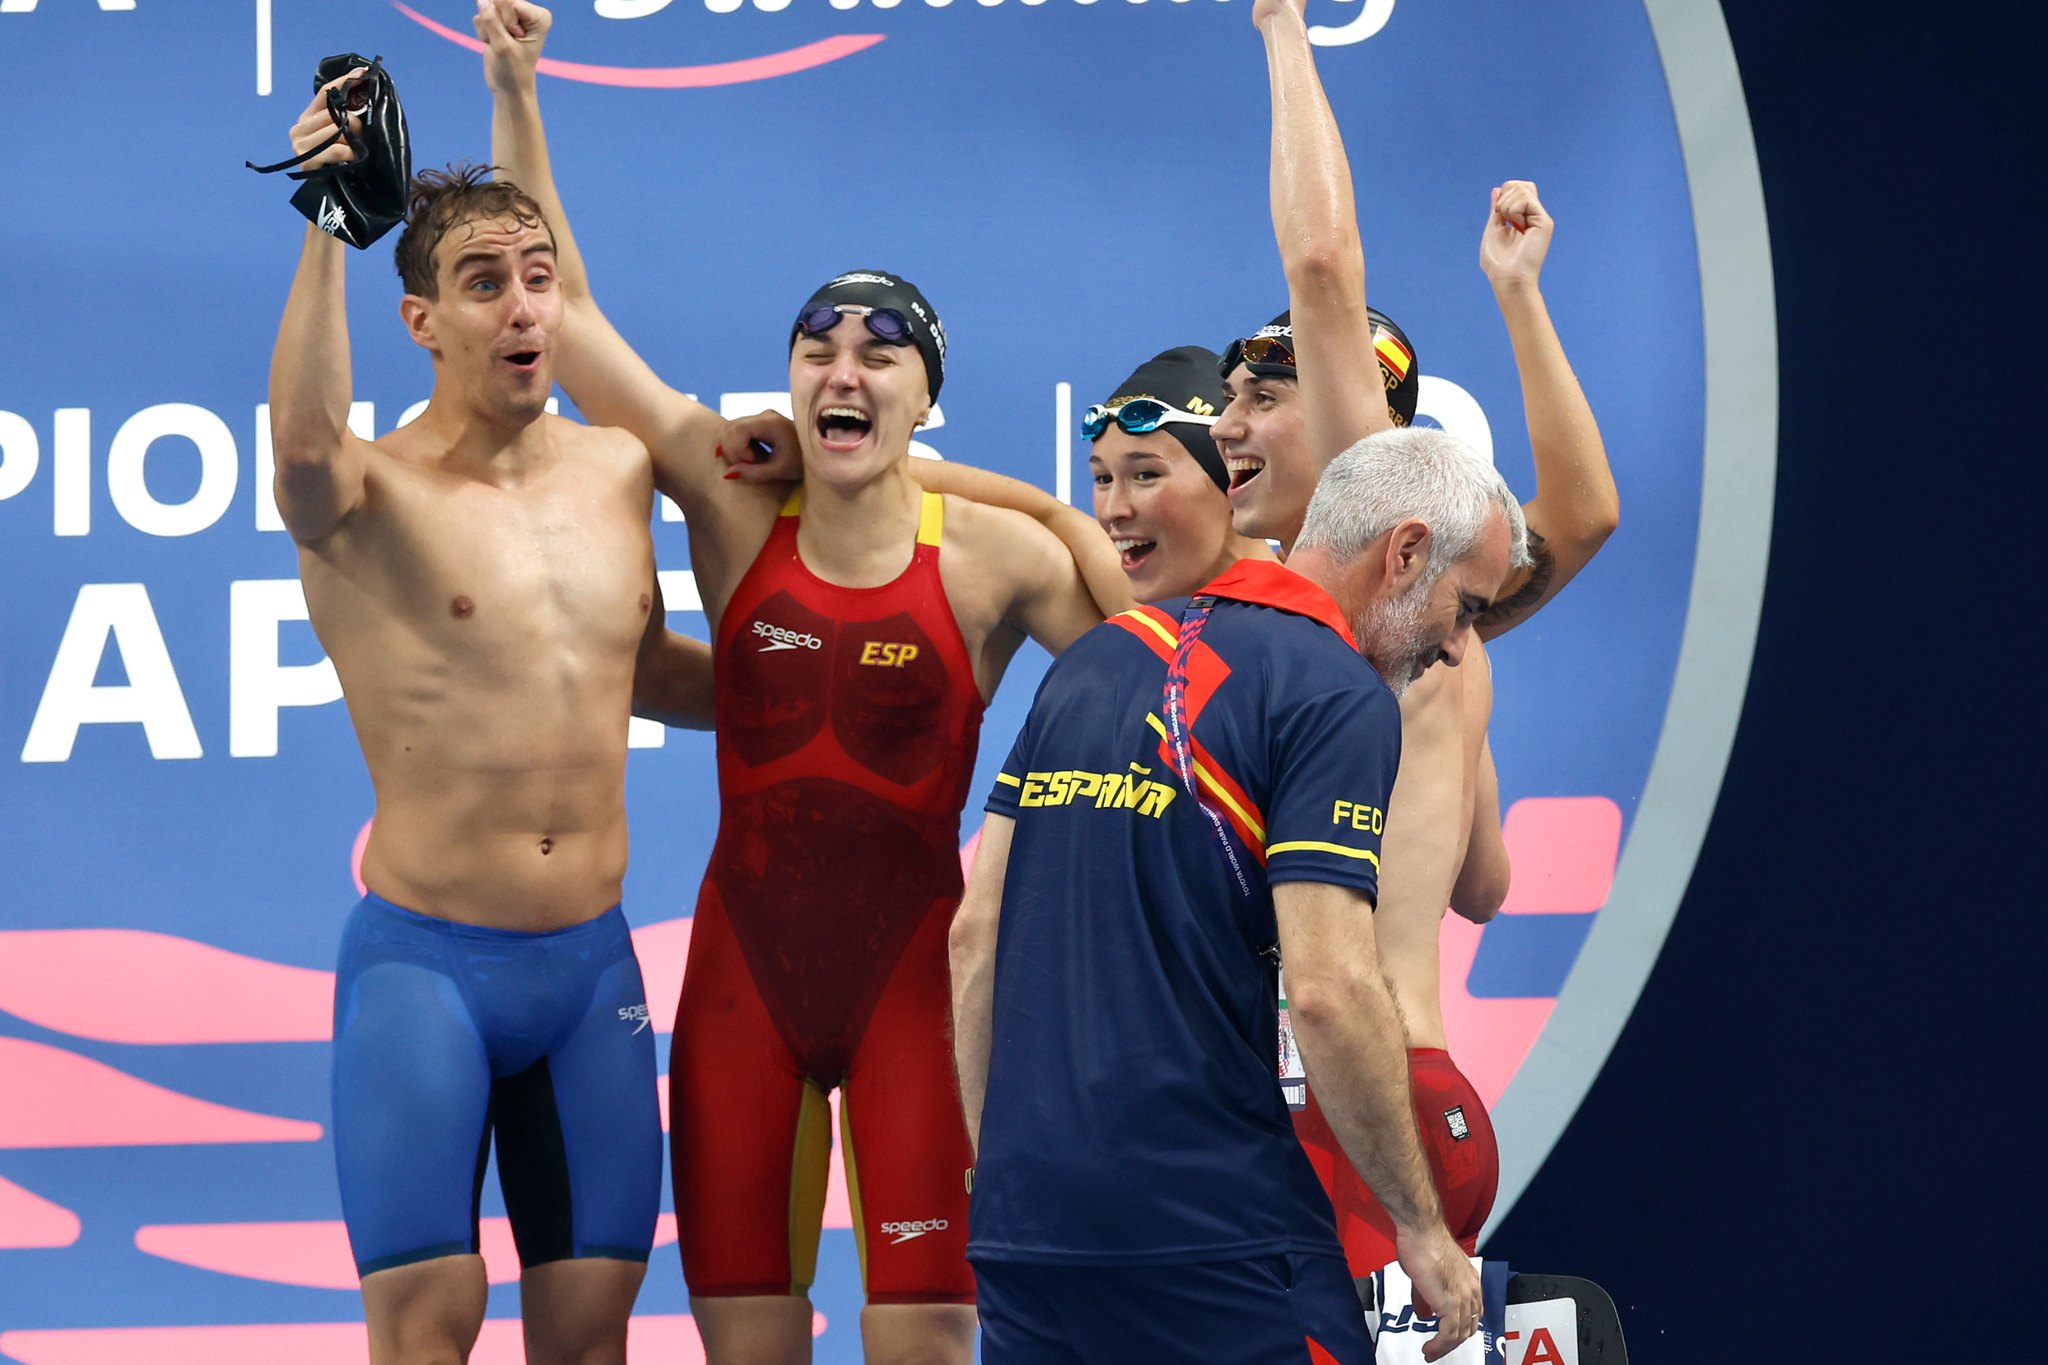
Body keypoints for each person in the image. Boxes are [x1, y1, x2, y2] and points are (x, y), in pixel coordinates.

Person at [474, 6, 1113, 1362]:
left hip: (913, 994)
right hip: (739, 988)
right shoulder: (730, 503)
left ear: (921, 396)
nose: (841, 371)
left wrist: (1046, 507)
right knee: (747, 1348)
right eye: (818, 349)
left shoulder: (997, 558)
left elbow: (1158, 672)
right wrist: (515, 87)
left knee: (928, 1343)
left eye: (880, 354)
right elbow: (572, 317)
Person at [267, 67, 727, 1365]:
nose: (523, 303)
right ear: (420, 317)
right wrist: (321, 220)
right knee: (429, 1324)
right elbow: (301, 447)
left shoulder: (616, 471)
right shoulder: (371, 494)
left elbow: (637, 667)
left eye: (537, 274)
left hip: (589, 972)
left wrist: (807, 689)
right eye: (485, 281)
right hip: (428, 972)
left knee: (587, 1338)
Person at [951, 430, 1526, 1364]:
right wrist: (1422, 1229)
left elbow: (975, 939)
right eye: (1464, 610)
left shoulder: (1091, 661)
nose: (1457, 650)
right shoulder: (1333, 688)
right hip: (1209, 1232)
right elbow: (1331, 987)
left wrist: (1003, 1169)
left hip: (1025, 1233)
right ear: (1406, 552)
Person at [1217, 0, 1620, 1281]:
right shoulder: (1437, 636)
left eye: (1267, 394)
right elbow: (1485, 885)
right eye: (1226, 394)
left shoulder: (1368, 563)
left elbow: (1322, 266)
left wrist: (1281, 24)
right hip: (1412, 1094)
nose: (1230, 422)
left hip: (1344, 1108)